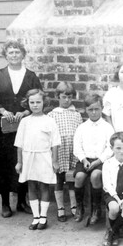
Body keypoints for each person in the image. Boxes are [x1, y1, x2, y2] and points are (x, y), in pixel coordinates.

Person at [0, 39, 41, 217]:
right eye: (11, 53)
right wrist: (2, 110)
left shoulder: (31, 76)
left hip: (25, 126)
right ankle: (5, 203)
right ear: (6, 55)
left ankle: (22, 201)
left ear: (23, 55)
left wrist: (25, 111)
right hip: (3, 128)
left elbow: (39, 98)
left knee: (23, 162)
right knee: (3, 163)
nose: (14, 55)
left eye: (17, 52)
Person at [14, 89, 61, 230]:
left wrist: (54, 161)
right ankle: (35, 217)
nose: (35, 105)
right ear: (27, 103)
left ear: (44, 103)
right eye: (32, 102)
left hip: (44, 157)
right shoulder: (25, 122)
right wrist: (20, 161)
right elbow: (19, 144)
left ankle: (43, 217)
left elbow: (54, 144)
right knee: (31, 186)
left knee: (44, 186)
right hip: (29, 157)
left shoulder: (50, 121)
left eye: (38, 102)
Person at [73, 93, 114, 225]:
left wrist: (98, 161)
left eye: (97, 109)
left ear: (101, 109)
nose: (94, 112)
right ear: (86, 110)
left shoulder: (107, 127)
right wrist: (84, 160)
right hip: (85, 160)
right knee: (79, 177)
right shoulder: (82, 128)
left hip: (101, 161)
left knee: (95, 176)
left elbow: (110, 148)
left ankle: (96, 209)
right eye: (90, 109)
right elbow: (77, 147)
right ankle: (80, 207)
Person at [48, 82, 83, 222]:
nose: (67, 100)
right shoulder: (52, 115)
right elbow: (50, 136)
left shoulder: (76, 114)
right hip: (59, 150)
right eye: (64, 97)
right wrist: (53, 157)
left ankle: (74, 206)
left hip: (72, 151)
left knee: (71, 179)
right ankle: (61, 208)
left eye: (69, 97)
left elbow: (80, 134)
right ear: (58, 97)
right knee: (59, 179)